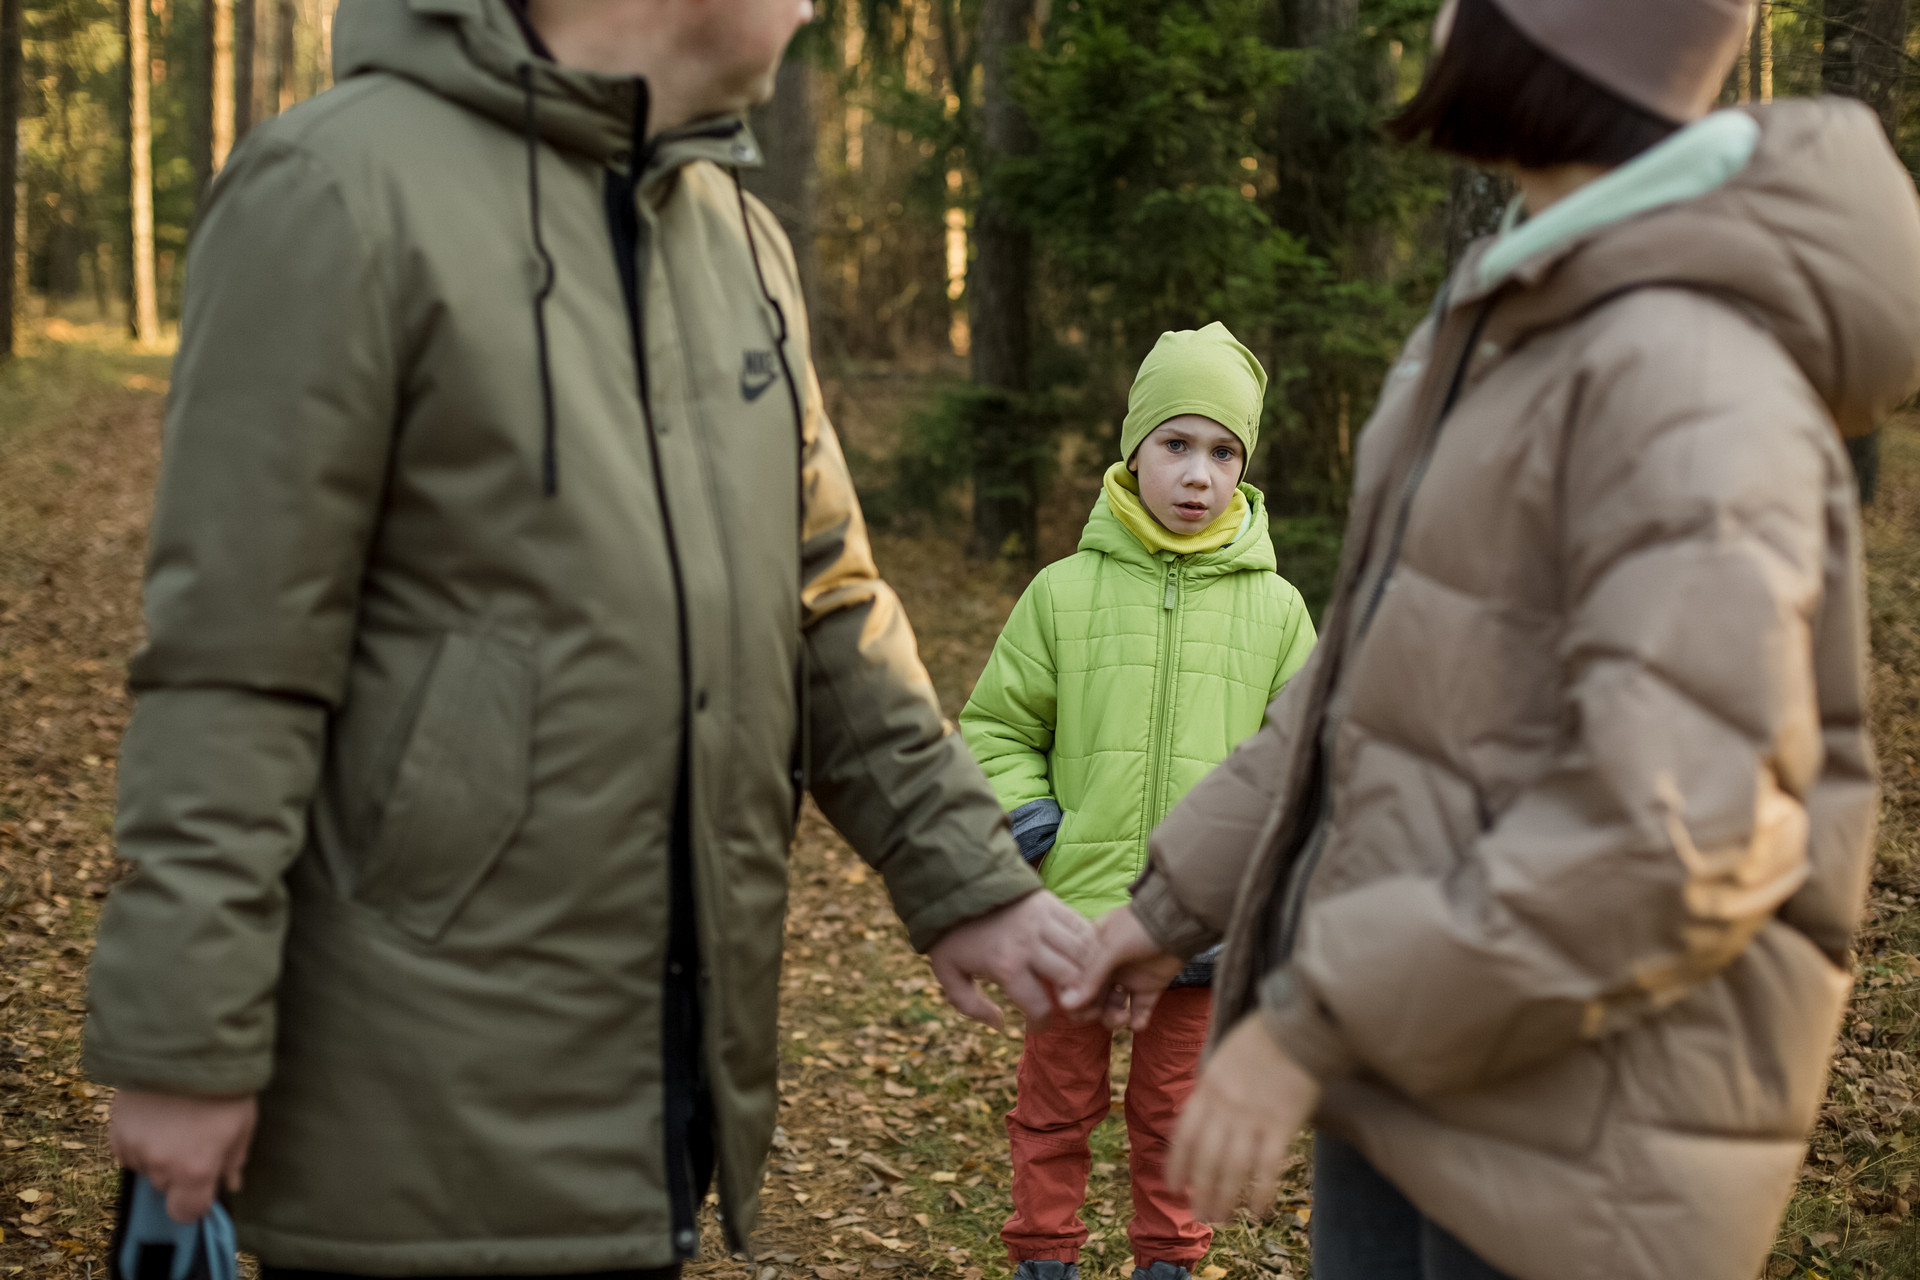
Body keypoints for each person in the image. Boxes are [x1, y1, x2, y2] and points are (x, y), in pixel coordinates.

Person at [82, 0, 1095, 1275]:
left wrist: (961, 872)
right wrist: (183, 1044)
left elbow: (824, 601)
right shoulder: (333, 193)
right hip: (411, 1102)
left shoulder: (739, 235)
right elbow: (231, 669)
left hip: (651, 1093)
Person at [1061, 1, 1920, 1278]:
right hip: (1413, 1074)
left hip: (1570, 1159)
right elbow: (1370, 669)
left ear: (1568, 40)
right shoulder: (1523, 304)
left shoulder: (1686, 371)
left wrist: (1310, 1017)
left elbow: (1671, 833)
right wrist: (1175, 899)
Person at [960, 323, 1317, 1280]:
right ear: (1134, 450)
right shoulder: (1060, 594)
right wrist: (1040, 834)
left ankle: (1169, 1260)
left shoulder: (1277, 612)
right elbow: (995, 728)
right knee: (1055, 1104)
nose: (1199, 474)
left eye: (1223, 452)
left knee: (1174, 1112)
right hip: (1073, 918)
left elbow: (1303, 760)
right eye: (1177, 444)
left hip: (1201, 934)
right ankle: (1045, 1255)